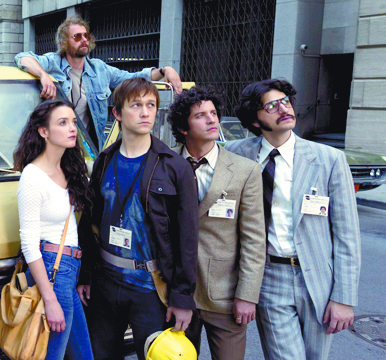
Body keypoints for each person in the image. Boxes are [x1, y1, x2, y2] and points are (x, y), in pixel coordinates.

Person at [225, 79, 361, 360]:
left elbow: (347, 235)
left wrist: (344, 298)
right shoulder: (237, 153)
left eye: (285, 101)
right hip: (269, 276)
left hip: (319, 279)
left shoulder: (329, 159)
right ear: (255, 119)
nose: (284, 109)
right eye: (271, 106)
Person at [77, 78, 198, 359]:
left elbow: (188, 238)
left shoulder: (175, 167)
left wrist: (182, 298)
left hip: (151, 287)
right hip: (105, 283)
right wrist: (86, 275)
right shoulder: (105, 160)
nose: (145, 113)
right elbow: (89, 222)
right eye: (136, 105)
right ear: (117, 113)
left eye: (151, 105)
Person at [167, 86, 266, 360]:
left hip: (225, 295)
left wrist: (247, 295)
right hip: (176, 293)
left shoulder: (245, 170)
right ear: (183, 127)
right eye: (201, 115)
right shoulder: (165, 163)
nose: (212, 119)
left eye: (213, 113)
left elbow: (254, 239)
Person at [14, 14, 183, 150]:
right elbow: (23, 57)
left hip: (89, 149)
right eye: (77, 36)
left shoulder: (99, 69)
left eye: (86, 35)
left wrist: (164, 71)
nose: (84, 40)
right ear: (63, 43)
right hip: (54, 145)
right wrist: (43, 75)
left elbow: (134, 77)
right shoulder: (53, 63)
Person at [13, 99, 95, 360]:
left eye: (73, 122)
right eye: (62, 123)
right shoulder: (33, 176)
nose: (72, 128)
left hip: (68, 271)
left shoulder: (68, 168)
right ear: (43, 131)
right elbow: (29, 244)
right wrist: (49, 299)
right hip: (52, 272)